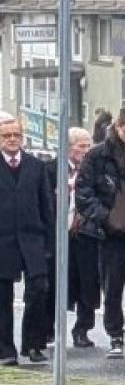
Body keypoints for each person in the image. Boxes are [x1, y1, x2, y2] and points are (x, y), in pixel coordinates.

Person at [76, 107, 125, 360]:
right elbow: (84, 193)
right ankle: (115, 336)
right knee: (113, 288)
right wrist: (104, 218)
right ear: (117, 128)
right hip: (108, 234)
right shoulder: (98, 155)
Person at [0, 113, 54, 365]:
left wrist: (50, 243)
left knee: (39, 289)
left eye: (16, 135)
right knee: (3, 296)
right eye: (6, 136)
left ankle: (33, 344)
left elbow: (47, 206)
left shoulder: (36, 166)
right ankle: (5, 350)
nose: (12, 140)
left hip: (33, 238)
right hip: (3, 241)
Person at [65, 128, 102, 349]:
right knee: (57, 282)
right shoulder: (54, 169)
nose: (86, 151)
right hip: (60, 234)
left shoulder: (94, 170)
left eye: (89, 146)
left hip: (86, 233)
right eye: (81, 146)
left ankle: (83, 328)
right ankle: (50, 327)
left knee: (88, 282)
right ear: (69, 147)